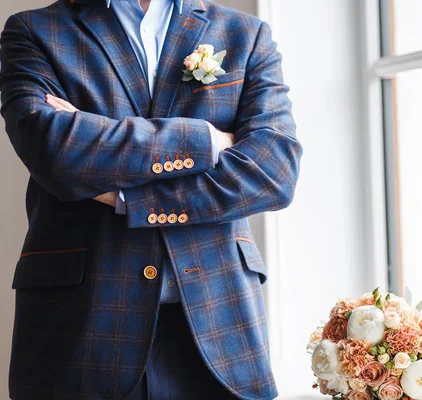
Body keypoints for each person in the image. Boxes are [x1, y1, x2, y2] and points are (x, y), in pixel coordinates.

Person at [0, 0, 302, 398]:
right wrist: (207, 140)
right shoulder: (35, 31)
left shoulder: (245, 34)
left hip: (219, 325)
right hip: (83, 328)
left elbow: (273, 171)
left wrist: (128, 197)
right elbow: (56, 152)